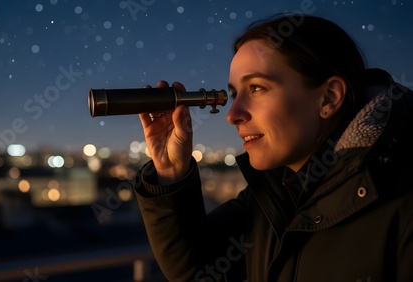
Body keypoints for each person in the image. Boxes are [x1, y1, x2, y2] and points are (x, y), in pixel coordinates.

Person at [132, 13, 413, 282]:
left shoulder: (401, 203)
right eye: (234, 94)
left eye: (256, 88)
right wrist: (170, 171)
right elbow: (197, 270)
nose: (233, 114)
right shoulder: (271, 194)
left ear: (328, 98)